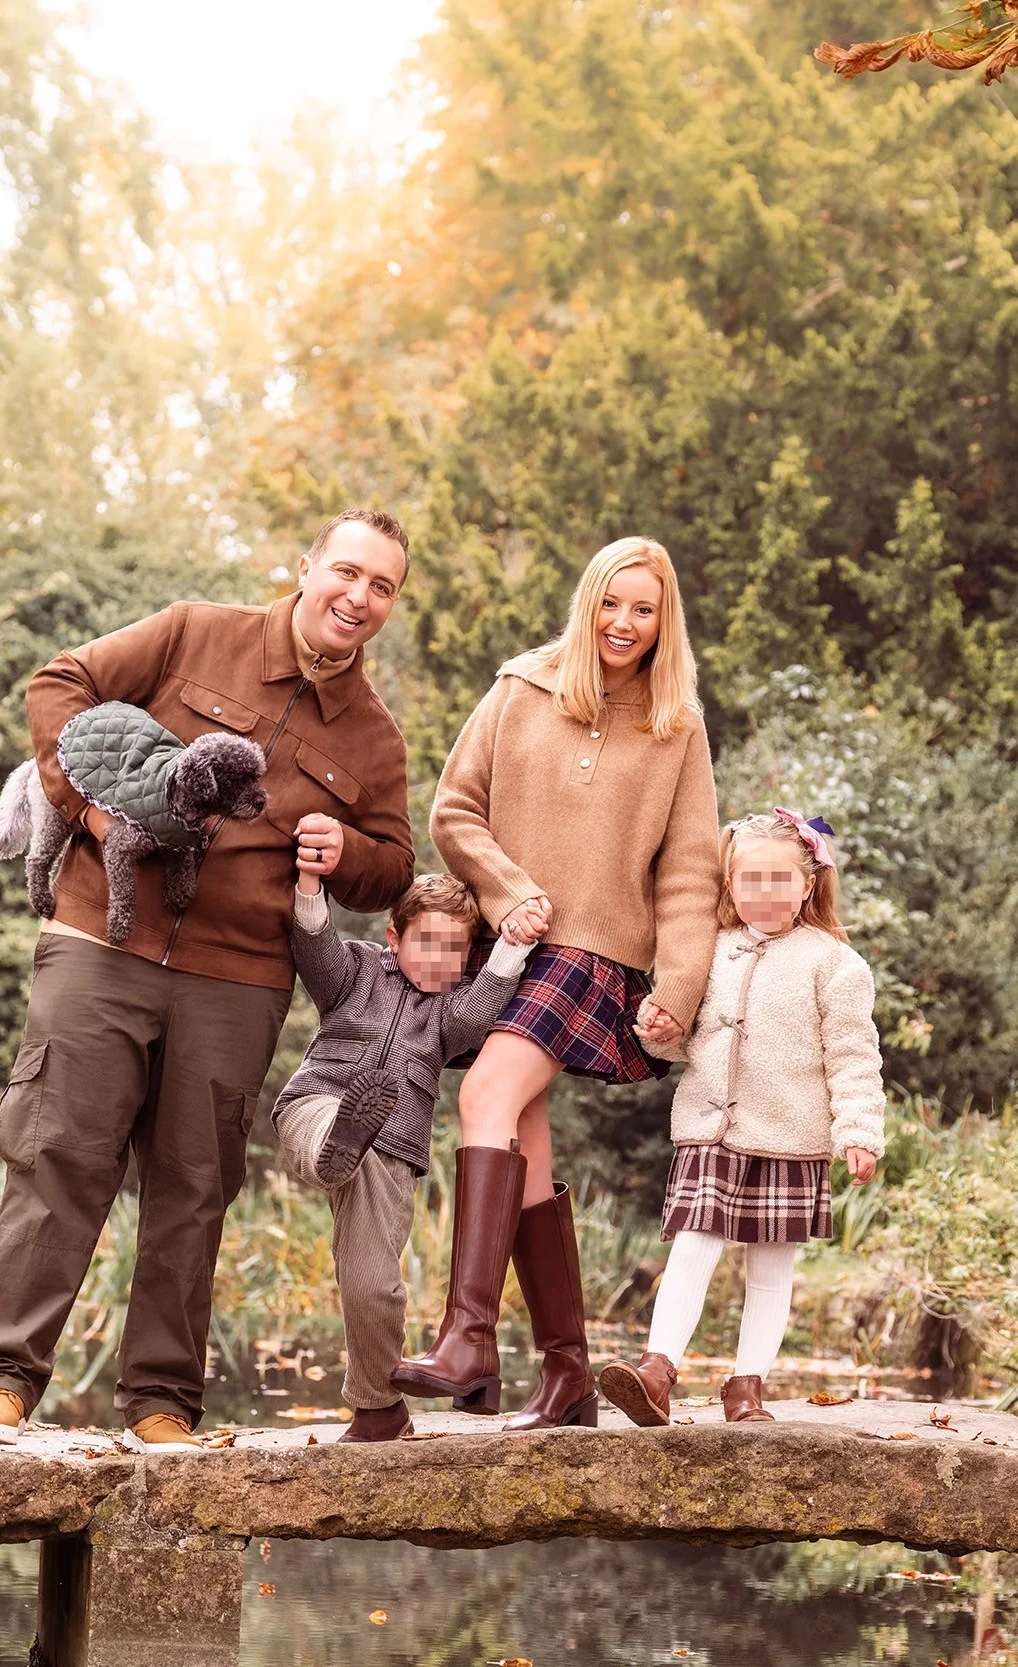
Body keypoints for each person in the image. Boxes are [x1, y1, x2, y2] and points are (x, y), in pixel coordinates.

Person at [0, 509, 415, 1451]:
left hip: (241, 977)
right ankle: (1, 1382)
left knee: (194, 1185)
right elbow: (61, 681)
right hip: (98, 943)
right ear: (307, 569)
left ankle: (162, 1401)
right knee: (59, 1151)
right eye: (347, 573)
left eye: (382, 587)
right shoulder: (194, 631)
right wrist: (81, 806)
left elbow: (397, 868)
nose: (358, 597)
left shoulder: (373, 737)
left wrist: (351, 850)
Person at [391, 536, 722, 1430]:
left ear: (664, 619)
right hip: (513, 942)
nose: (625, 623)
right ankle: (567, 1369)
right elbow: (453, 809)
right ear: (587, 603)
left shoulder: (676, 724)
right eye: (612, 603)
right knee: (523, 1129)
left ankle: (467, 1336)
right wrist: (508, 890)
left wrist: (681, 991)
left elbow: (691, 874)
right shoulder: (520, 688)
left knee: (491, 1092)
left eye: (644, 609)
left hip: (597, 954)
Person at [599, 809, 885, 1426]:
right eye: (749, 879)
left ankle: (746, 1388)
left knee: (771, 1268)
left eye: (779, 879)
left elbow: (854, 1055)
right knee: (692, 1244)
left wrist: (858, 1130)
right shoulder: (706, 949)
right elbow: (685, 1037)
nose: (764, 891)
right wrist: (660, 1032)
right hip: (710, 1126)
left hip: (791, 1134)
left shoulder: (835, 964)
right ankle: (657, 1370)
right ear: (729, 883)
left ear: (807, 884)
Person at [273, 871, 538, 1441]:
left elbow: (479, 1012)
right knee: (325, 1127)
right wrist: (311, 882)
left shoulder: (446, 1016)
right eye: (427, 942)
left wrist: (514, 945)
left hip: (389, 1149)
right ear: (395, 939)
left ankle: (378, 1408)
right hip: (318, 1101)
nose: (440, 959)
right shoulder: (358, 971)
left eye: (455, 949)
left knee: (375, 1286)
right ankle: (334, 1146)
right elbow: (316, 949)